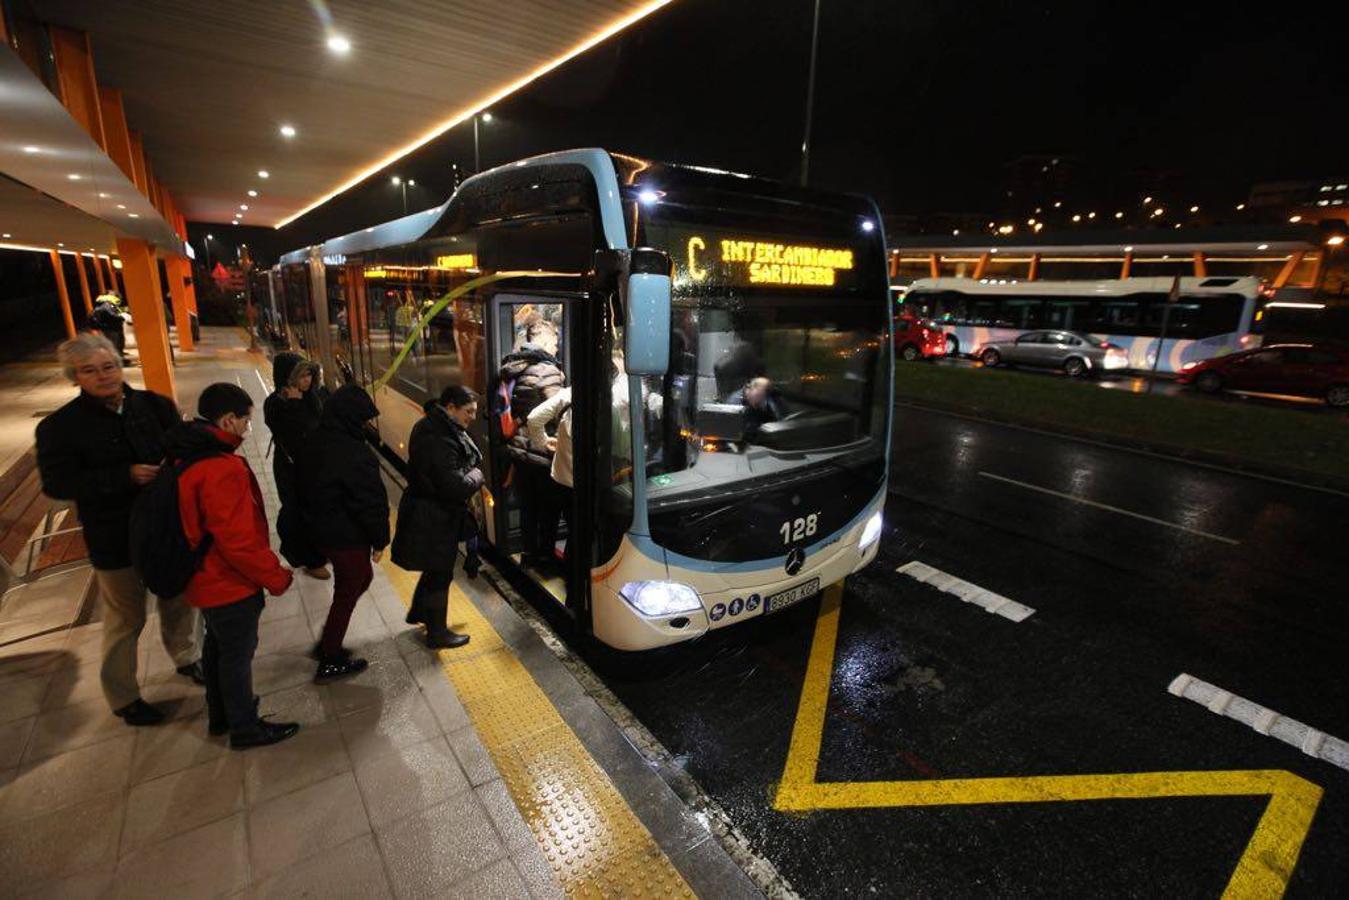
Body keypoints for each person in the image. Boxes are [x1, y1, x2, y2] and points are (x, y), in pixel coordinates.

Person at [35, 333, 203, 727]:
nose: (103, 376)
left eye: (108, 366)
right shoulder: (60, 427)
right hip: (114, 537)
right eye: (89, 371)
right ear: (74, 378)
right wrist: (123, 476)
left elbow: (180, 448)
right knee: (126, 617)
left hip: (164, 527)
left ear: (119, 365)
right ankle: (123, 696)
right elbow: (57, 484)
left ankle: (187, 657)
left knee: (180, 598)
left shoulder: (153, 405)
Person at [167, 383, 299, 749]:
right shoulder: (220, 469)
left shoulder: (188, 454)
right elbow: (238, 543)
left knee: (216, 650)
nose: (247, 427)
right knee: (237, 657)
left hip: (203, 579)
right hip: (226, 582)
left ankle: (221, 716)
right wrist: (276, 577)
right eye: (245, 420)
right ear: (228, 420)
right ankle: (245, 728)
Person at [296, 384, 389, 681]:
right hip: (346, 534)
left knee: (361, 578)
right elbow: (370, 502)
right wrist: (379, 540)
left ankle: (327, 642)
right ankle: (330, 657)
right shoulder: (354, 453)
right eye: (362, 419)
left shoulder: (315, 439)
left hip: (322, 527)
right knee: (349, 588)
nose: (366, 424)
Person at [392, 385, 484, 649]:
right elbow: (455, 486)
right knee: (440, 574)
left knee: (436, 568)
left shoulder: (434, 426)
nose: (472, 417)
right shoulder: (439, 437)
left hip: (432, 512)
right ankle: (437, 633)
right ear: (451, 407)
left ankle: (420, 613)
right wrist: (478, 474)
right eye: (468, 411)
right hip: (433, 517)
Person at [498, 315, 565, 565]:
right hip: (542, 450)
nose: (557, 347)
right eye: (556, 341)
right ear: (546, 340)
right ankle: (545, 555)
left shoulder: (515, 366)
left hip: (519, 449)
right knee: (549, 509)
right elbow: (558, 409)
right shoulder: (547, 371)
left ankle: (528, 553)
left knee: (528, 507)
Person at [263, 352, 329, 580]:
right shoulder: (275, 403)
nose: (307, 381)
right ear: (287, 378)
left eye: (309, 375)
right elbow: (288, 433)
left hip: (314, 465)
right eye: (301, 376)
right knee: (298, 512)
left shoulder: (311, 397)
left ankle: (317, 551)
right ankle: (309, 559)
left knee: (317, 510)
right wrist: (293, 403)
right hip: (291, 469)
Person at [526, 385, 573, 562]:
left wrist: (543, 442)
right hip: (581, 484)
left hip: (559, 475)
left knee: (548, 519)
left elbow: (533, 418)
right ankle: (573, 576)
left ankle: (545, 557)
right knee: (577, 532)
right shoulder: (618, 395)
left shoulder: (568, 394)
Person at [89, 292, 127, 362]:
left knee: (115, 344)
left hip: (109, 328)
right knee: (114, 344)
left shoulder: (106, 303)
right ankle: (115, 360)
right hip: (110, 328)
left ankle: (117, 359)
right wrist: (120, 317)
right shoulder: (107, 304)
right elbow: (110, 314)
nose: (119, 300)